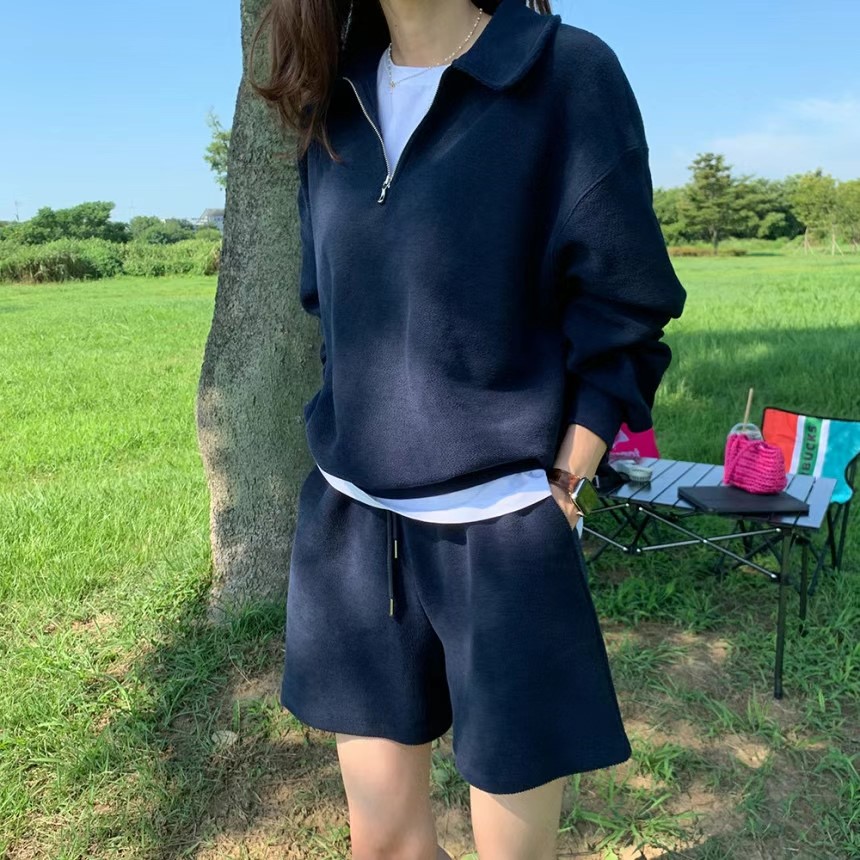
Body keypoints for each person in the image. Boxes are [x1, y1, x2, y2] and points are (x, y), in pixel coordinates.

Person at [249, 0, 687, 857]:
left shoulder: (566, 74)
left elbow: (624, 305)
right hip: (354, 528)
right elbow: (327, 307)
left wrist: (566, 476)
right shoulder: (331, 101)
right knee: (382, 847)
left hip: (504, 532)